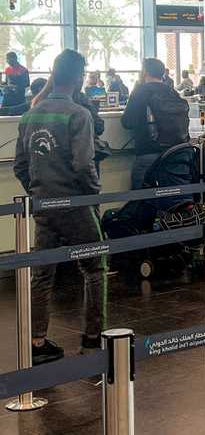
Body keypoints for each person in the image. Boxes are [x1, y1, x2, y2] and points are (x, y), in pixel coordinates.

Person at [14, 50, 106, 364]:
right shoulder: (78, 114)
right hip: (75, 205)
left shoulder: (31, 114)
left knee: (42, 274)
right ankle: (94, 339)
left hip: (43, 205)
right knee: (95, 269)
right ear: (79, 78)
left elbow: (20, 166)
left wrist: (39, 191)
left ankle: (37, 341)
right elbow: (83, 165)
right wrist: (94, 193)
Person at [122, 58, 190, 189]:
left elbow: (127, 122)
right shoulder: (172, 92)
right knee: (172, 199)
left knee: (143, 201)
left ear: (145, 72)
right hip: (176, 153)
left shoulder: (140, 91)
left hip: (148, 154)